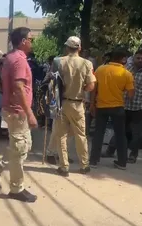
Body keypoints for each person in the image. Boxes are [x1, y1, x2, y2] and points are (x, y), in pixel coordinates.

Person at [0, 27, 38, 203]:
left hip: (13, 109)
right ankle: (16, 188)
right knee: (20, 149)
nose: (32, 42)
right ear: (23, 41)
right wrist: (30, 113)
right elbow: (19, 87)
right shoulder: (19, 61)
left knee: (22, 146)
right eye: (31, 39)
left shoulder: (10, 58)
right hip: (18, 111)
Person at [53, 36, 96, 177]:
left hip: (62, 103)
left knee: (62, 136)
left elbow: (52, 83)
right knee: (81, 136)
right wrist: (81, 87)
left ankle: (64, 167)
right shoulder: (87, 64)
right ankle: (84, 165)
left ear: (67, 47)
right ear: (79, 48)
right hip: (78, 104)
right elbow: (91, 86)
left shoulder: (58, 61)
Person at [103, 49, 142, 163]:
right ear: (134, 57)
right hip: (124, 105)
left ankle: (133, 155)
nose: (140, 60)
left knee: (137, 133)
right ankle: (110, 151)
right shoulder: (126, 70)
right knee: (119, 130)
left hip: (140, 108)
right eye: (138, 58)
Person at [89, 48, 134, 170]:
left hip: (101, 106)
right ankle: (122, 162)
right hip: (118, 107)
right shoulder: (126, 74)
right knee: (120, 135)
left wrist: (92, 104)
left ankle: (93, 160)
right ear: (123, 59)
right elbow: (130, 95)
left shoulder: (100, 70)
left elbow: (94, 89)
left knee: (98, 133)